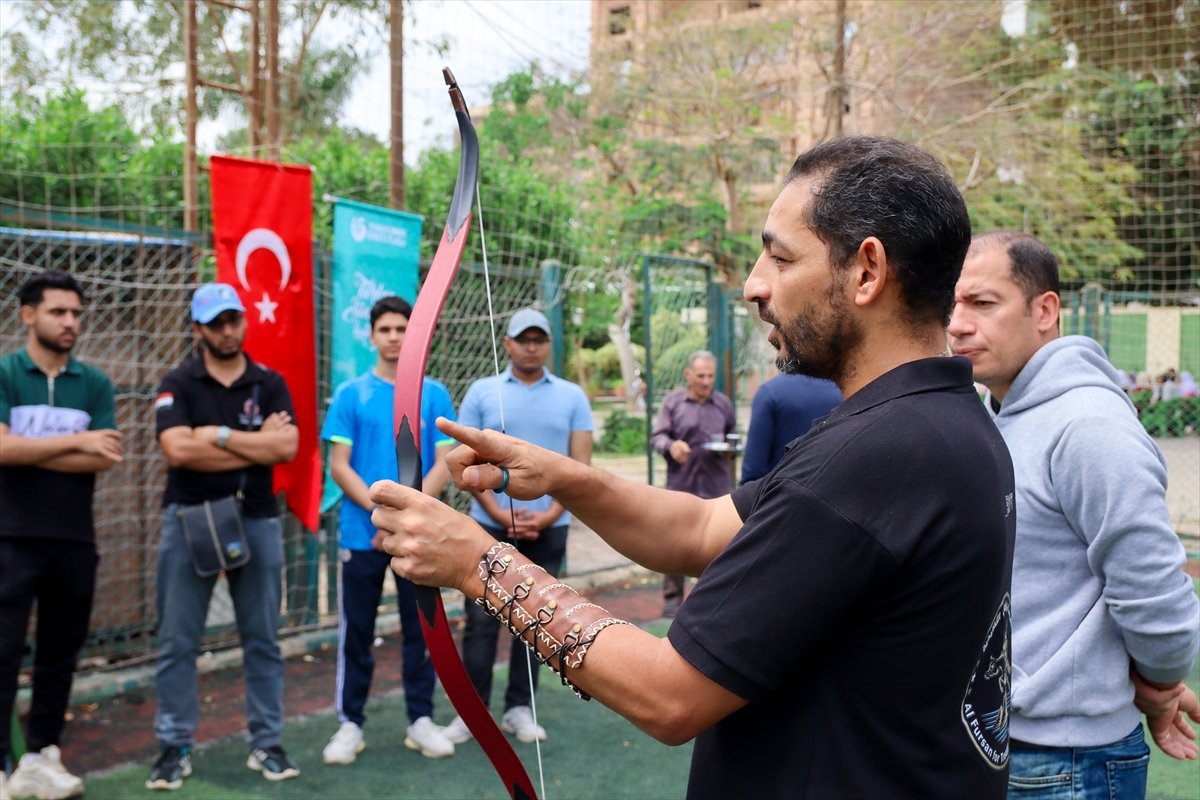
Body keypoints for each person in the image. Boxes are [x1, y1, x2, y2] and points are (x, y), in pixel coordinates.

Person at [370, 136, 1016, 798]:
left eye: (781, 257)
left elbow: (668, 694)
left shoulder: (877, 456)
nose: (754, 284)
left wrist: (479, 564)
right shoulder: (941, 423)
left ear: (867, 271)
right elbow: (701, 529)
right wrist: (564, 476)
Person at [948, 231, 1200, 798]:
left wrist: (1159, 683)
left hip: (1069, 763)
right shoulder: (995, 410)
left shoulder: (1089, 425)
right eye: (952, 304)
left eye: (983, 303)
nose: (958, 324)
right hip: (999, 739)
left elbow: (1154, 591)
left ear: (1045, 311)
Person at [146, 283, 300, 790]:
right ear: (198, 329)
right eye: (216, 323)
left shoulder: (269, 382)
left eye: (234, 319)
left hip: (256, 518)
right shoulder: (178, 382)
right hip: (189, 519)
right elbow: (178, 452)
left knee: (263, 638)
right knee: (177, 641)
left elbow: (288, 447)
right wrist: (256, 443)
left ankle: (267, 742)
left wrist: (216, 435)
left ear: (244, 321)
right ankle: (173, 746)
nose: (228, 330)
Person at [441, 307, 593, 746]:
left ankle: (520, 708)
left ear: (548, 345)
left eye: (538, 339)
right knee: (480, 619)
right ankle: (472, 713)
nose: (531, 346)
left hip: (548, 527)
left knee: (538, 622)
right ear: (507, 344)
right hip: (488, 527)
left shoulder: (572, 396)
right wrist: (496, 511)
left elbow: (580, 467)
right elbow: (462, 461)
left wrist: (548, 515)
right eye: (523, 339)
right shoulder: (482, 391)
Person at [319, 296, 457, 765]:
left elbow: (443, 463)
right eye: (386, 329)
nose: (395, 337)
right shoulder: (350, 394)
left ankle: (421, 720)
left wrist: (406, 515)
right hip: (362, 536)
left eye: (402, 328)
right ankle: (350, 724)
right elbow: (339, 466)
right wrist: (382, 514)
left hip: (416, 535)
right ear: (372, 335)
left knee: (422, 630)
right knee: (356, 632)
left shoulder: (433, 393)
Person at [0, 270, 122, 800]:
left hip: (74, 540)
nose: (70, 321)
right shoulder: (5, 373)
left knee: (59, 655)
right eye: (58, 312)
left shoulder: (94, 383)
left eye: (75, 313)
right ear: (28, 315)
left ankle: (41, 756)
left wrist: (26, 447)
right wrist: (77, 441)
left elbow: (107, 455)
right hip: (10, 537)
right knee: (4, 652)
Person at [648, 351, 735, 616]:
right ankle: (672, 600)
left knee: (718, 546)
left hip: (715, 487)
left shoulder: (723, 404)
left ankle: (710, 602)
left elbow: (732, 437)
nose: (706, 381)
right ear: (688, 375)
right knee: (673, 542)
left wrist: (731, 449)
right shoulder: (673, 403)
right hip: (681, 485)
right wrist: (671, 445)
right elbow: (657, 437)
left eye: (710, 376)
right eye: (700, 376)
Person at [739, 372, 841, 483]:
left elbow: (754, 469)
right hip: (832, 487)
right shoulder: (841, 392)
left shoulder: (770, 392)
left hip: (780, 489)